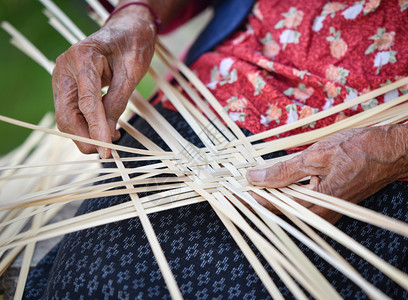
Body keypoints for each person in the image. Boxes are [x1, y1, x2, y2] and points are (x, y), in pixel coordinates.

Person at [24, 0, 408, 298]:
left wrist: (396, 146)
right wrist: (136, 15)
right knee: (91, 285)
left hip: (379, 140)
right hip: (226, 86)